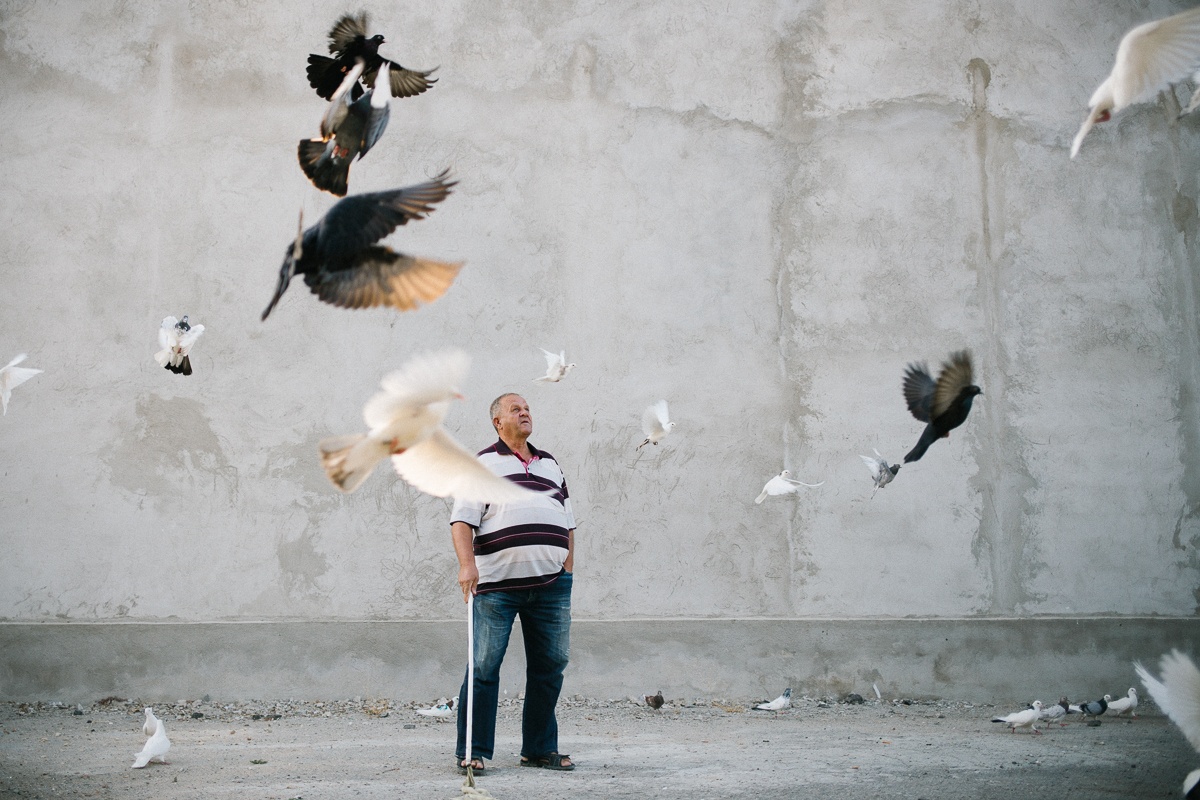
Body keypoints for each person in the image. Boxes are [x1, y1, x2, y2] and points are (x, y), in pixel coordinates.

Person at [450, 392, 576, 773]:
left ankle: (538, 749)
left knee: (550, 666)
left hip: (551, 586)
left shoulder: (550, 464)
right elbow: (462, 521)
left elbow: (568, 522)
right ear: (497, 422)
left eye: (527, 409)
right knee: (484, 667)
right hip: (497, 587)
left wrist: (567, 571)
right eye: (515, 409)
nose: (524, 413)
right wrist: (466, 565)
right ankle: (472, 751)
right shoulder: (483, 464)